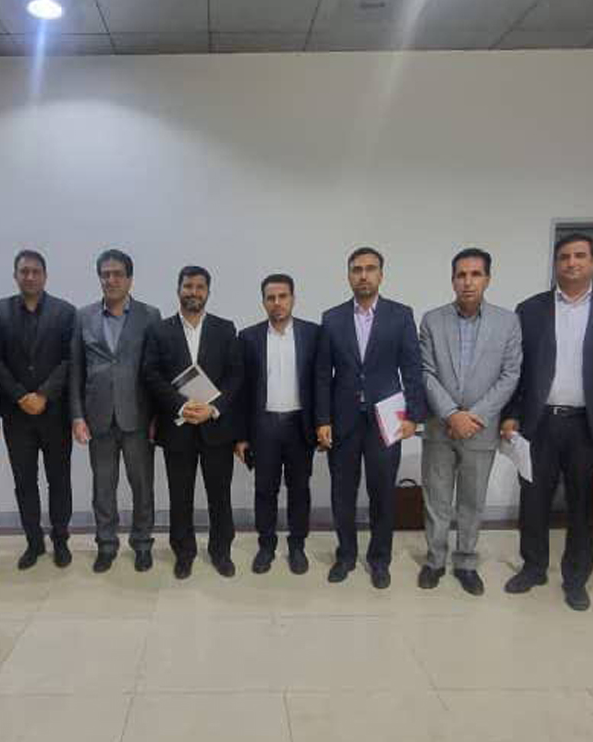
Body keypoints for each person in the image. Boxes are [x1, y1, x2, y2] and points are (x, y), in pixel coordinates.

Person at [501, 233, 593, 611]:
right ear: (556, 264)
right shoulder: (530, 309)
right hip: (539, 423)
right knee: (534, 501)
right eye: (564, 257)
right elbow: (517, 371)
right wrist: (511, 414)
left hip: (590, 426)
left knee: (583, 506)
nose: (572, 263)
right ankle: (533, 568)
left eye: (580, 256)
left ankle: (576, 578)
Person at [316, 246, 427, 589]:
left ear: (381, 274)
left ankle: (380, 560)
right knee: (342, 493)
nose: (363, 275)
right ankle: (346, 556)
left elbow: (412, 369)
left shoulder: (400, 315)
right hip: (343, 419)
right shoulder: (332, 318)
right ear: (348, 275)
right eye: (356, 269)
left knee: (382, 493)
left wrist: (414, 417)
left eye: (370, 268)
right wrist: (322, 419)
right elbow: (322, 375)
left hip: (386, 419)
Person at [418, 248, 521, 594]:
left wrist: (474, 416)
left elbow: (510, 374)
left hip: (481, 427)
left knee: (472, 501)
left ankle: (465, 563)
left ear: (487, 279)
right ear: (452, 280)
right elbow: (425, 372)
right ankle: (434, 560)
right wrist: (451, 413)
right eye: (461, 275)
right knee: (436, 499)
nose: (468, 282)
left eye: (475, 274)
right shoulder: (432, 320)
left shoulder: (508, 322)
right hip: (440, 426)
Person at [143, 265, 245, 579]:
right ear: (178, 290)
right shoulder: (160, 330)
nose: (193, 292)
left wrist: (213, 408)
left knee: (220, 496)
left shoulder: (225, 328)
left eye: (200, 287)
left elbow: (235, 375)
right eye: (188, 286)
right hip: (178, 427)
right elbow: (151, 373)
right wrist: (181, 405)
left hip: (216, 428)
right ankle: (183, 553)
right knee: (180, 497)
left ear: (208, 292)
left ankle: (221, 552)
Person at [70, 249, 162, 572]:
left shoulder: (150, 315)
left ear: (130, 279)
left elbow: (157, 370)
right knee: (103, 488)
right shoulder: (83, 317)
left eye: (117, 274)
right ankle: (106, 545)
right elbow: (76, 370)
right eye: (105, 274)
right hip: (98, 419)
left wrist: (158, 417)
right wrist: (77, 416)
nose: (111, 280)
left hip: (138, 418)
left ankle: (142, 544)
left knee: (142, 487)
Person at [0, 250, 77, 570]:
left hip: (55, 413)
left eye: (36, 271)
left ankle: (61, 540)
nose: (30, 276)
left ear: (45, 276)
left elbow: (69, 360)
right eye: (24, 271)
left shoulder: (65, 312)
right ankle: (34, 542)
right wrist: (21, 395)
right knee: (24, 481)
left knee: (59, 480)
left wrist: (44, 394)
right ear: (15, 276)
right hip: (16, 414)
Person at [235, 273, 320, 575]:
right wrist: (241, 436)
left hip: (300, 425)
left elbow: (321, 382)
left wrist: (323, 423)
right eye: (270, 298)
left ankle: (297, 546)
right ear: (263, 302)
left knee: (299, 489)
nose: (277, 303)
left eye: (283, 296)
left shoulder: (313, 334)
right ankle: (266, 546)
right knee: (264, 490)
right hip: (264, 426)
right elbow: (242, 390)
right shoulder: (248, 337)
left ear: (293, 299)